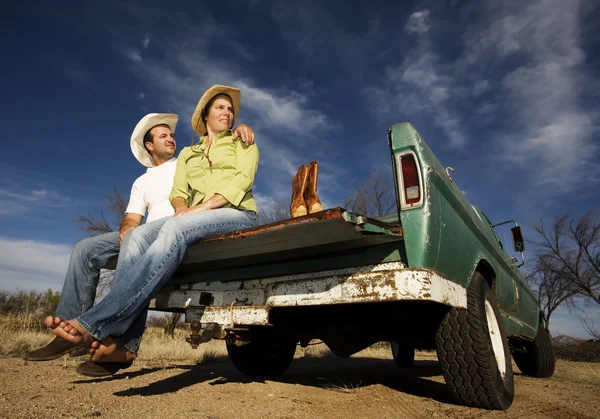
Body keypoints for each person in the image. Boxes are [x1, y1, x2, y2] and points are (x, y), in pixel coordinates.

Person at [25, 110, 255, 376]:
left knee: (144, 243)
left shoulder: (189, 159)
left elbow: (217, 154)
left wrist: (239, 129)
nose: (171, 139)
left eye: (171, 135)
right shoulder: (141, 182)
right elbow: (132, 218)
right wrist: (127, 229)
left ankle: (118, 341)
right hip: (147, 231)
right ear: (150, 145)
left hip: (182, 225)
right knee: (85, 249)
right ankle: (67, 328)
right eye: (163, 136)